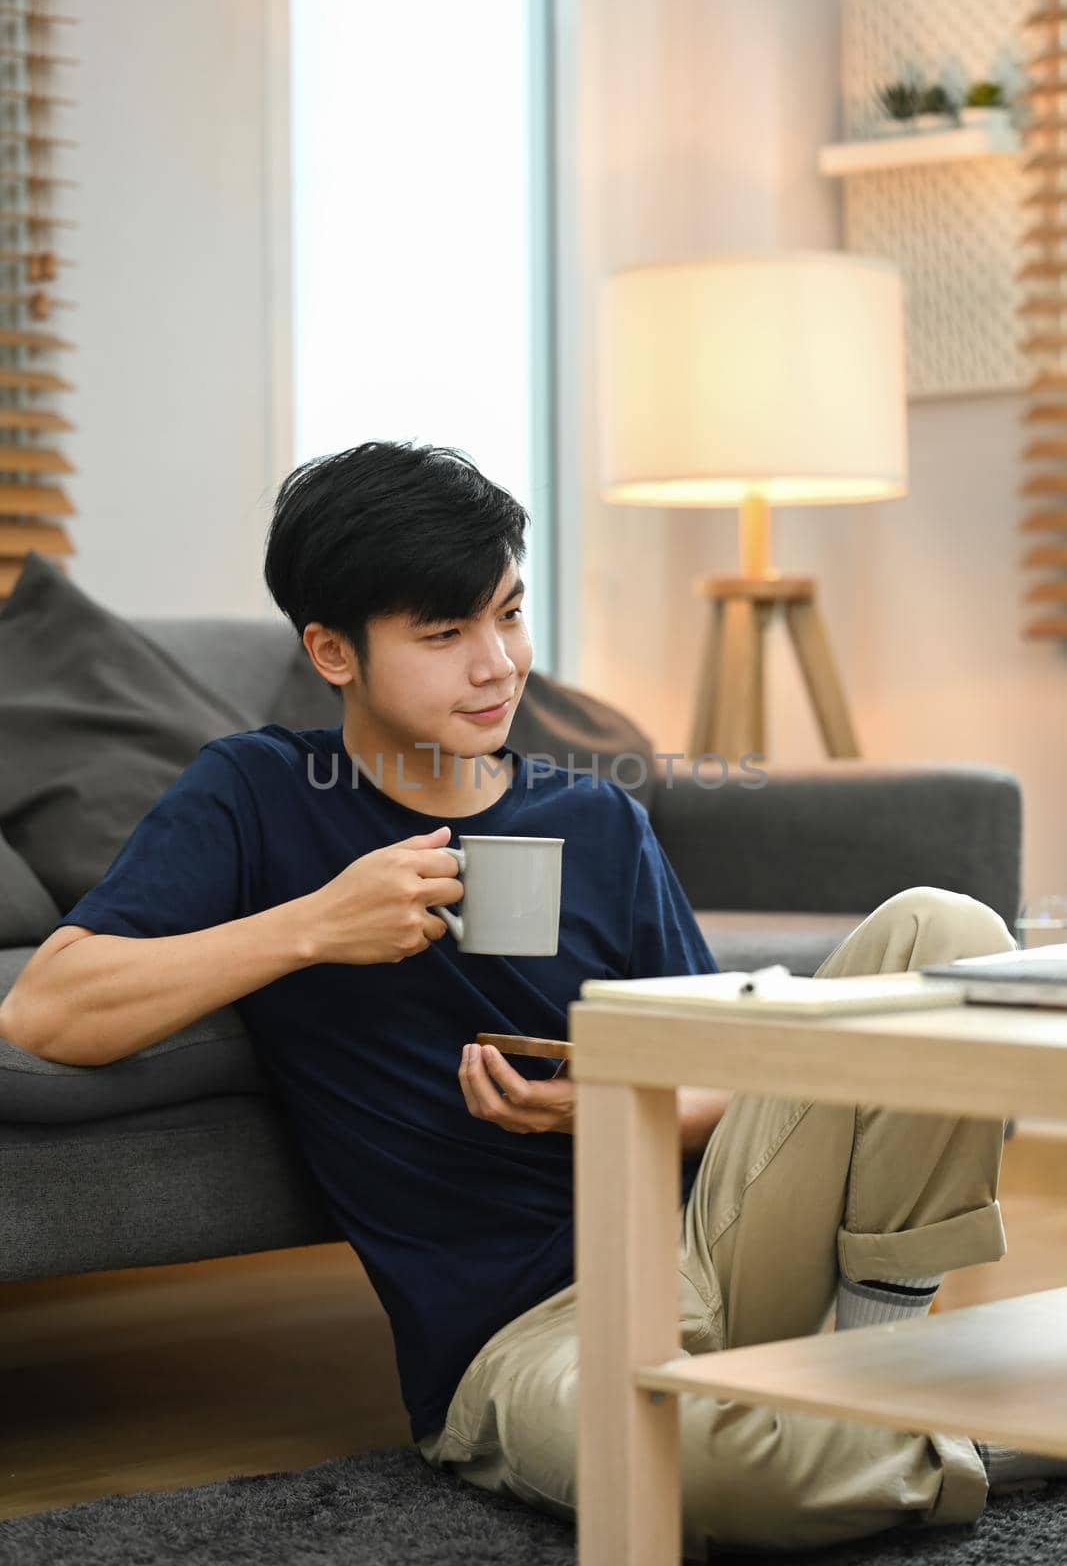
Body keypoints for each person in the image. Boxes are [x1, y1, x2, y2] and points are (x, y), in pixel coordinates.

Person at [2, 440, 1062, 1555]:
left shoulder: (596, 818)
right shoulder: (256, 795)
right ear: (332, 652)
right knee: (685, 1465)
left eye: (507, 614)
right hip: (517, 1339)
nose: (497, 665)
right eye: (444, 633)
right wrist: (315, 923)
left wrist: (610, 1099)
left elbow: (735, 1070)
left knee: (946, 929)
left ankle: (865, 1363)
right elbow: (46, 1010)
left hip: (711, 1242)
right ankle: (964, 1429)